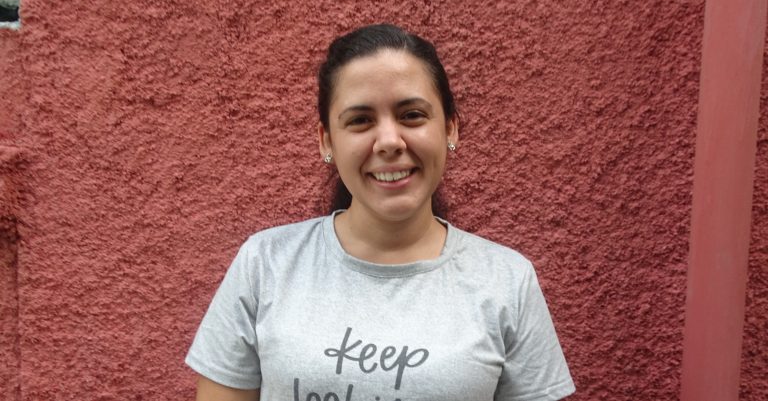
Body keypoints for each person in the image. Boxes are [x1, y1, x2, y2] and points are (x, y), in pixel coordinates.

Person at [186, 24, 575, 401]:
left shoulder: (508, 281)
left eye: (412, 115)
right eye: (360, 121)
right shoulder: (265, 265)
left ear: (450, 128)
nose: (389, 141)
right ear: (327, 141)